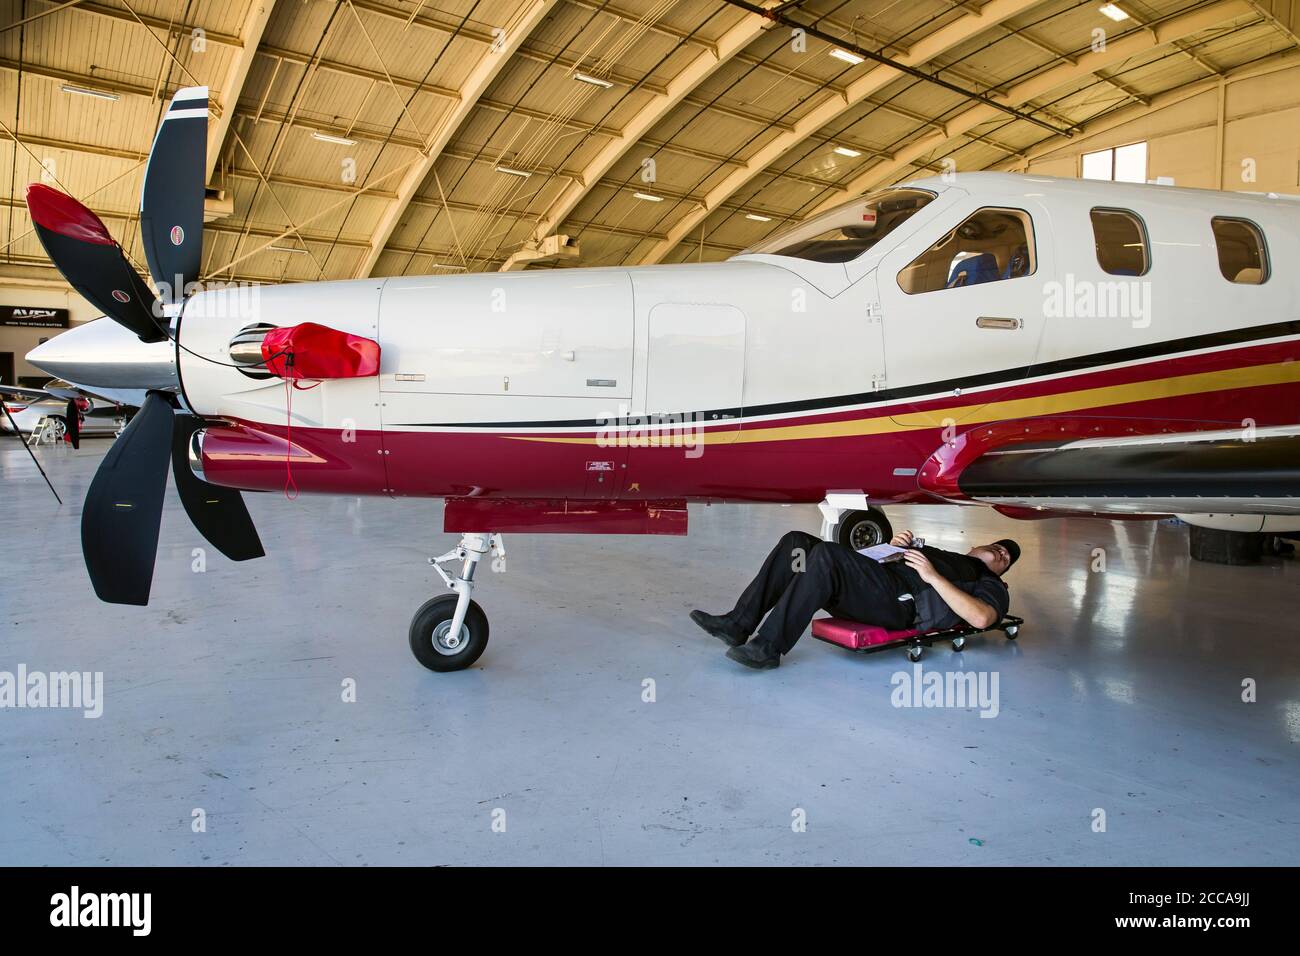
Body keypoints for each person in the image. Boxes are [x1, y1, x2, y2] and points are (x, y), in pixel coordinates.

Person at [690, 529, 1019, 670]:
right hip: (879, 584)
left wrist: (933, 576)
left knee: (827, 556)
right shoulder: (942, 551)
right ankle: (738, 624)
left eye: (1006, 557)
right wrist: (894, 548)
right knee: (797, 545)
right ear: (976, 545)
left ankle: (768, 648)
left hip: (903, 605)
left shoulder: (990, 582)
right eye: (999, 546)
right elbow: (878, 564)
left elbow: (981, 618)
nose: (1001, 552)